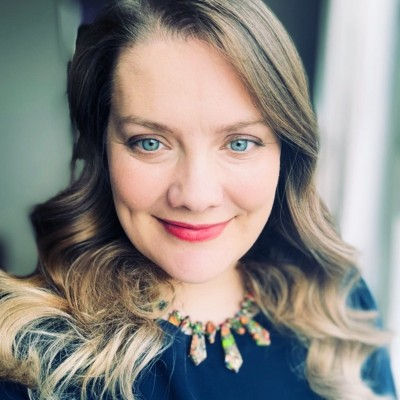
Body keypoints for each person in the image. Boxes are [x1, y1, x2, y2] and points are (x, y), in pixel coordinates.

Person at [0, 0, 397, 399]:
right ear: (102, 149)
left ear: (287, 153)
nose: (196, 196)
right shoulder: (29, 352)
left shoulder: (337, 304)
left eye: (239, 143)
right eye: (150, 143)